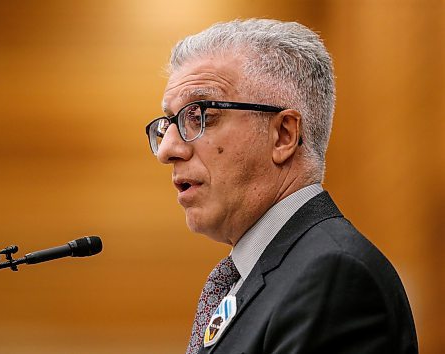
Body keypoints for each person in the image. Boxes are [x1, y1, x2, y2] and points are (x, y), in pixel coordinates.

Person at [145, 19, 418, 354]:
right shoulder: (261, 274)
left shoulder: (332, 276)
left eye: (201, 115)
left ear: (283, 135)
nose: (167, 149)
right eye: (168, 124)